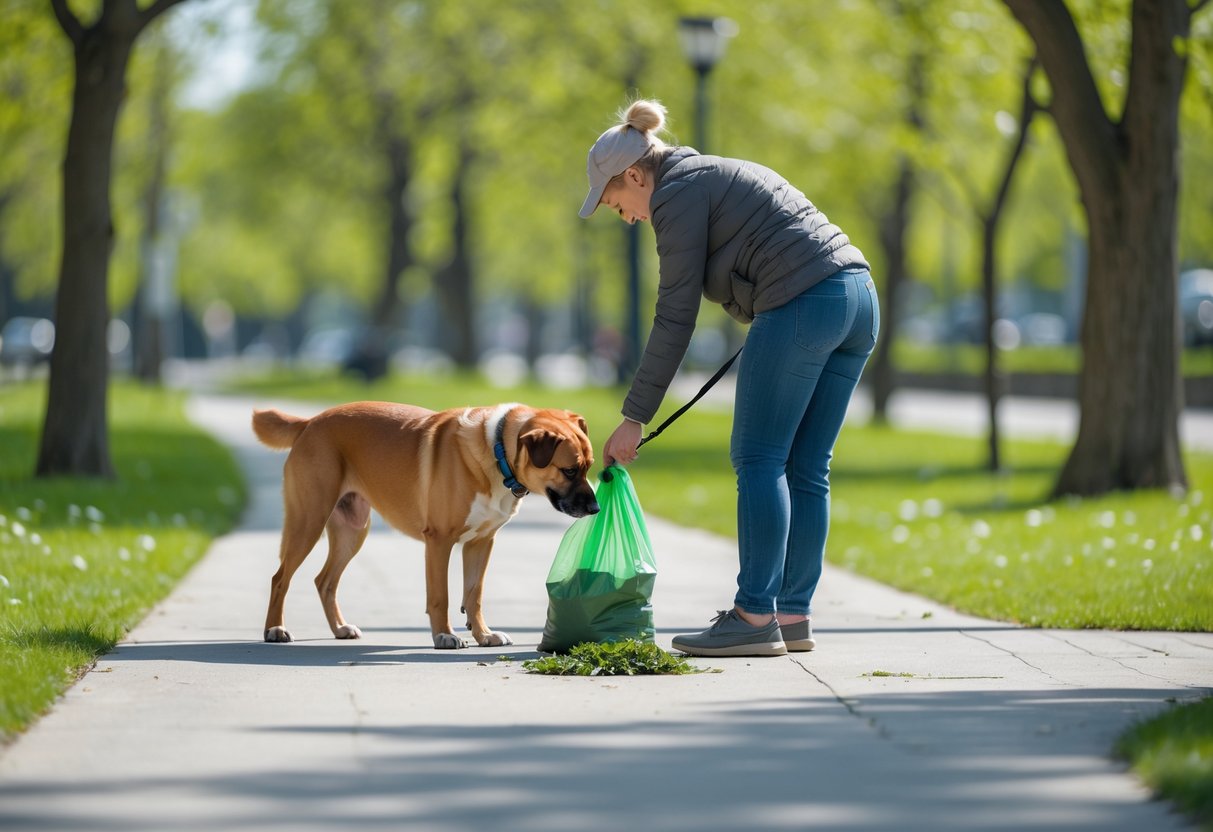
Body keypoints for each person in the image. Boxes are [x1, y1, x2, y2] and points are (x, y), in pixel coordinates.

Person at [580, 99, 880, 658]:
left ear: (636, 175)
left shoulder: (675, 195)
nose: (622, 215)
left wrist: (634, 417)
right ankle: (791, 615)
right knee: (807, 466)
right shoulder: (706, 175)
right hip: (858, 298)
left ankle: (752, 615)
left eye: (614, 199)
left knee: (760, 458)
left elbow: (675, 315)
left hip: (806, 302)